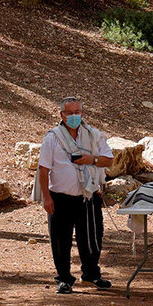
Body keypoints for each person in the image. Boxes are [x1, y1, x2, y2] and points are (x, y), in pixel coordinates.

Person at [34, 97, 114, 294]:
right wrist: (46, 197)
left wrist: (91, 159)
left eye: (77, 112)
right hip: (60, 197)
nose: (73, 116)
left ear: (82, 113)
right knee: (61, 240)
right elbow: (43, 170)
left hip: (88, 195)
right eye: (69, 113)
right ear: (61, 115)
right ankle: (64, 279)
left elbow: (108, 160)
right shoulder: (52, 138)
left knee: (92, 237)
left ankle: (91, 274)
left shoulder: (94, 135)